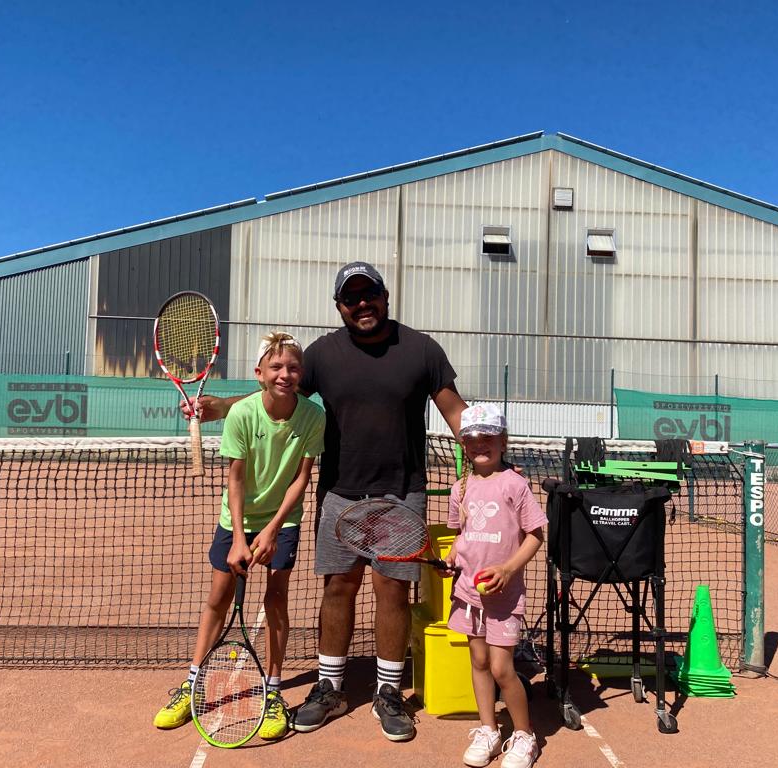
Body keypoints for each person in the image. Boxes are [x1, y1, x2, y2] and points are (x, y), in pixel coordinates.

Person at [188, 261, 467, 742]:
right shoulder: (321, 354)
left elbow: (455, 410)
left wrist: (490, 453)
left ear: (384, 295)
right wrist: (221, 408)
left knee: (393, 593)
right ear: (339, 306)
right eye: (350, 298)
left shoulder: (422, 349)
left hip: (402, 494)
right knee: (338, 588)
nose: (362, 304)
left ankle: (387, 692)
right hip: (339, 492)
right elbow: (277, 393)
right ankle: (330, 686)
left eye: (369, 294)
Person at [153, 331, 325, 741]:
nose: (285, 374)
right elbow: (235, 479)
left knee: (277, 599)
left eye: (293, 368)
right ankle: (192, 682)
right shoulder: (242, 414)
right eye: (277, 367)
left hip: (282, 519)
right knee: (218, 597)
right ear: (259, 373)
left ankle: (272, 690)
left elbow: (301, 478)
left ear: (301, 374)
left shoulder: (313, 416)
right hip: (237, 519)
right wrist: (238, 538)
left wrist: (270, 529)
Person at [444, 404, 545, 768]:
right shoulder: (461, 487)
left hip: (504, 595)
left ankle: (524, 735)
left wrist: (507, 569)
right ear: (463, 445)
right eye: (472, 439)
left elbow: (535, 535)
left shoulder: (515, 484)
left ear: (503, 441)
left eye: (488, 437)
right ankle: (488, 729)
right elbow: (461, 535)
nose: (479, 444)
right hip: (468, 592)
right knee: (480, 660)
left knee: (503, 668)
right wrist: (453, 556)